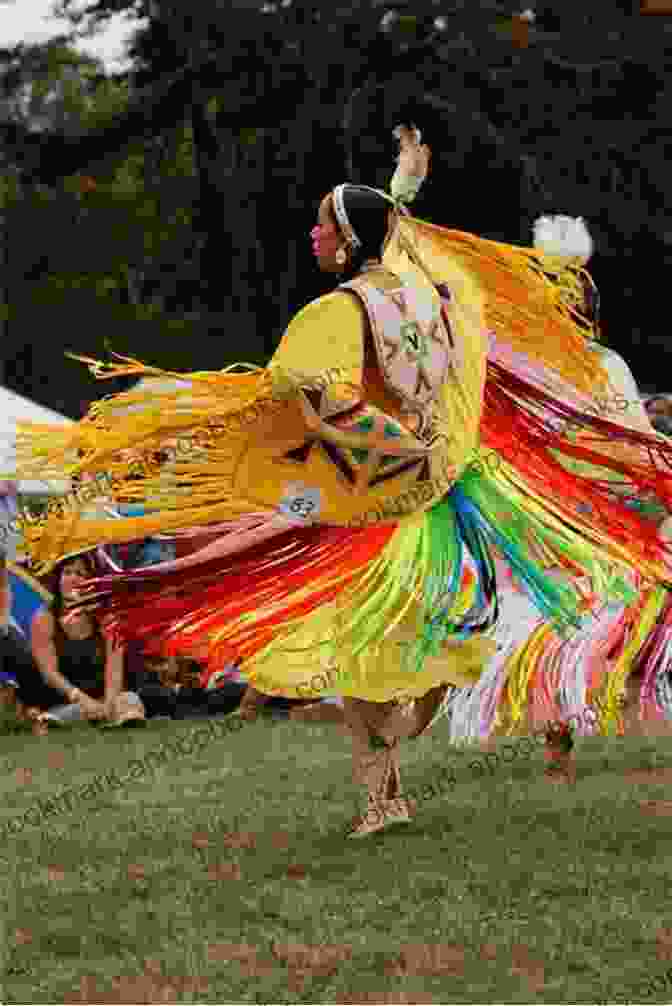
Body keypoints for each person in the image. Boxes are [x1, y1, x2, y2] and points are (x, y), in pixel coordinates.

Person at [15, 125, 672, 835]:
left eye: (323, 225)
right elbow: (404, 257)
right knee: (391, 657)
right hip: (430, 504)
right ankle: (382, 794)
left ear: (351, 240)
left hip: (367, 514)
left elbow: (313, 392)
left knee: (377, 656)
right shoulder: (425, 298)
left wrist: (364, 442)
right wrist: (401, 191)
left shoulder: (340, 314)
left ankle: (384, 784)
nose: (311, 234)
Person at [13, 551, 145, 729]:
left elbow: (114, 668)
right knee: (65, 715)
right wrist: (83, 699)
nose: (73, 579)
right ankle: (63, 718)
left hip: (103, 695)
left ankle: (114, 716)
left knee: (130, 701)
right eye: (67, 573)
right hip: (66, 697)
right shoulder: (44, 617)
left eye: (80, 574)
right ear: (58, 580)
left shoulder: (106, 616)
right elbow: (49, 673)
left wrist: (108, 703)